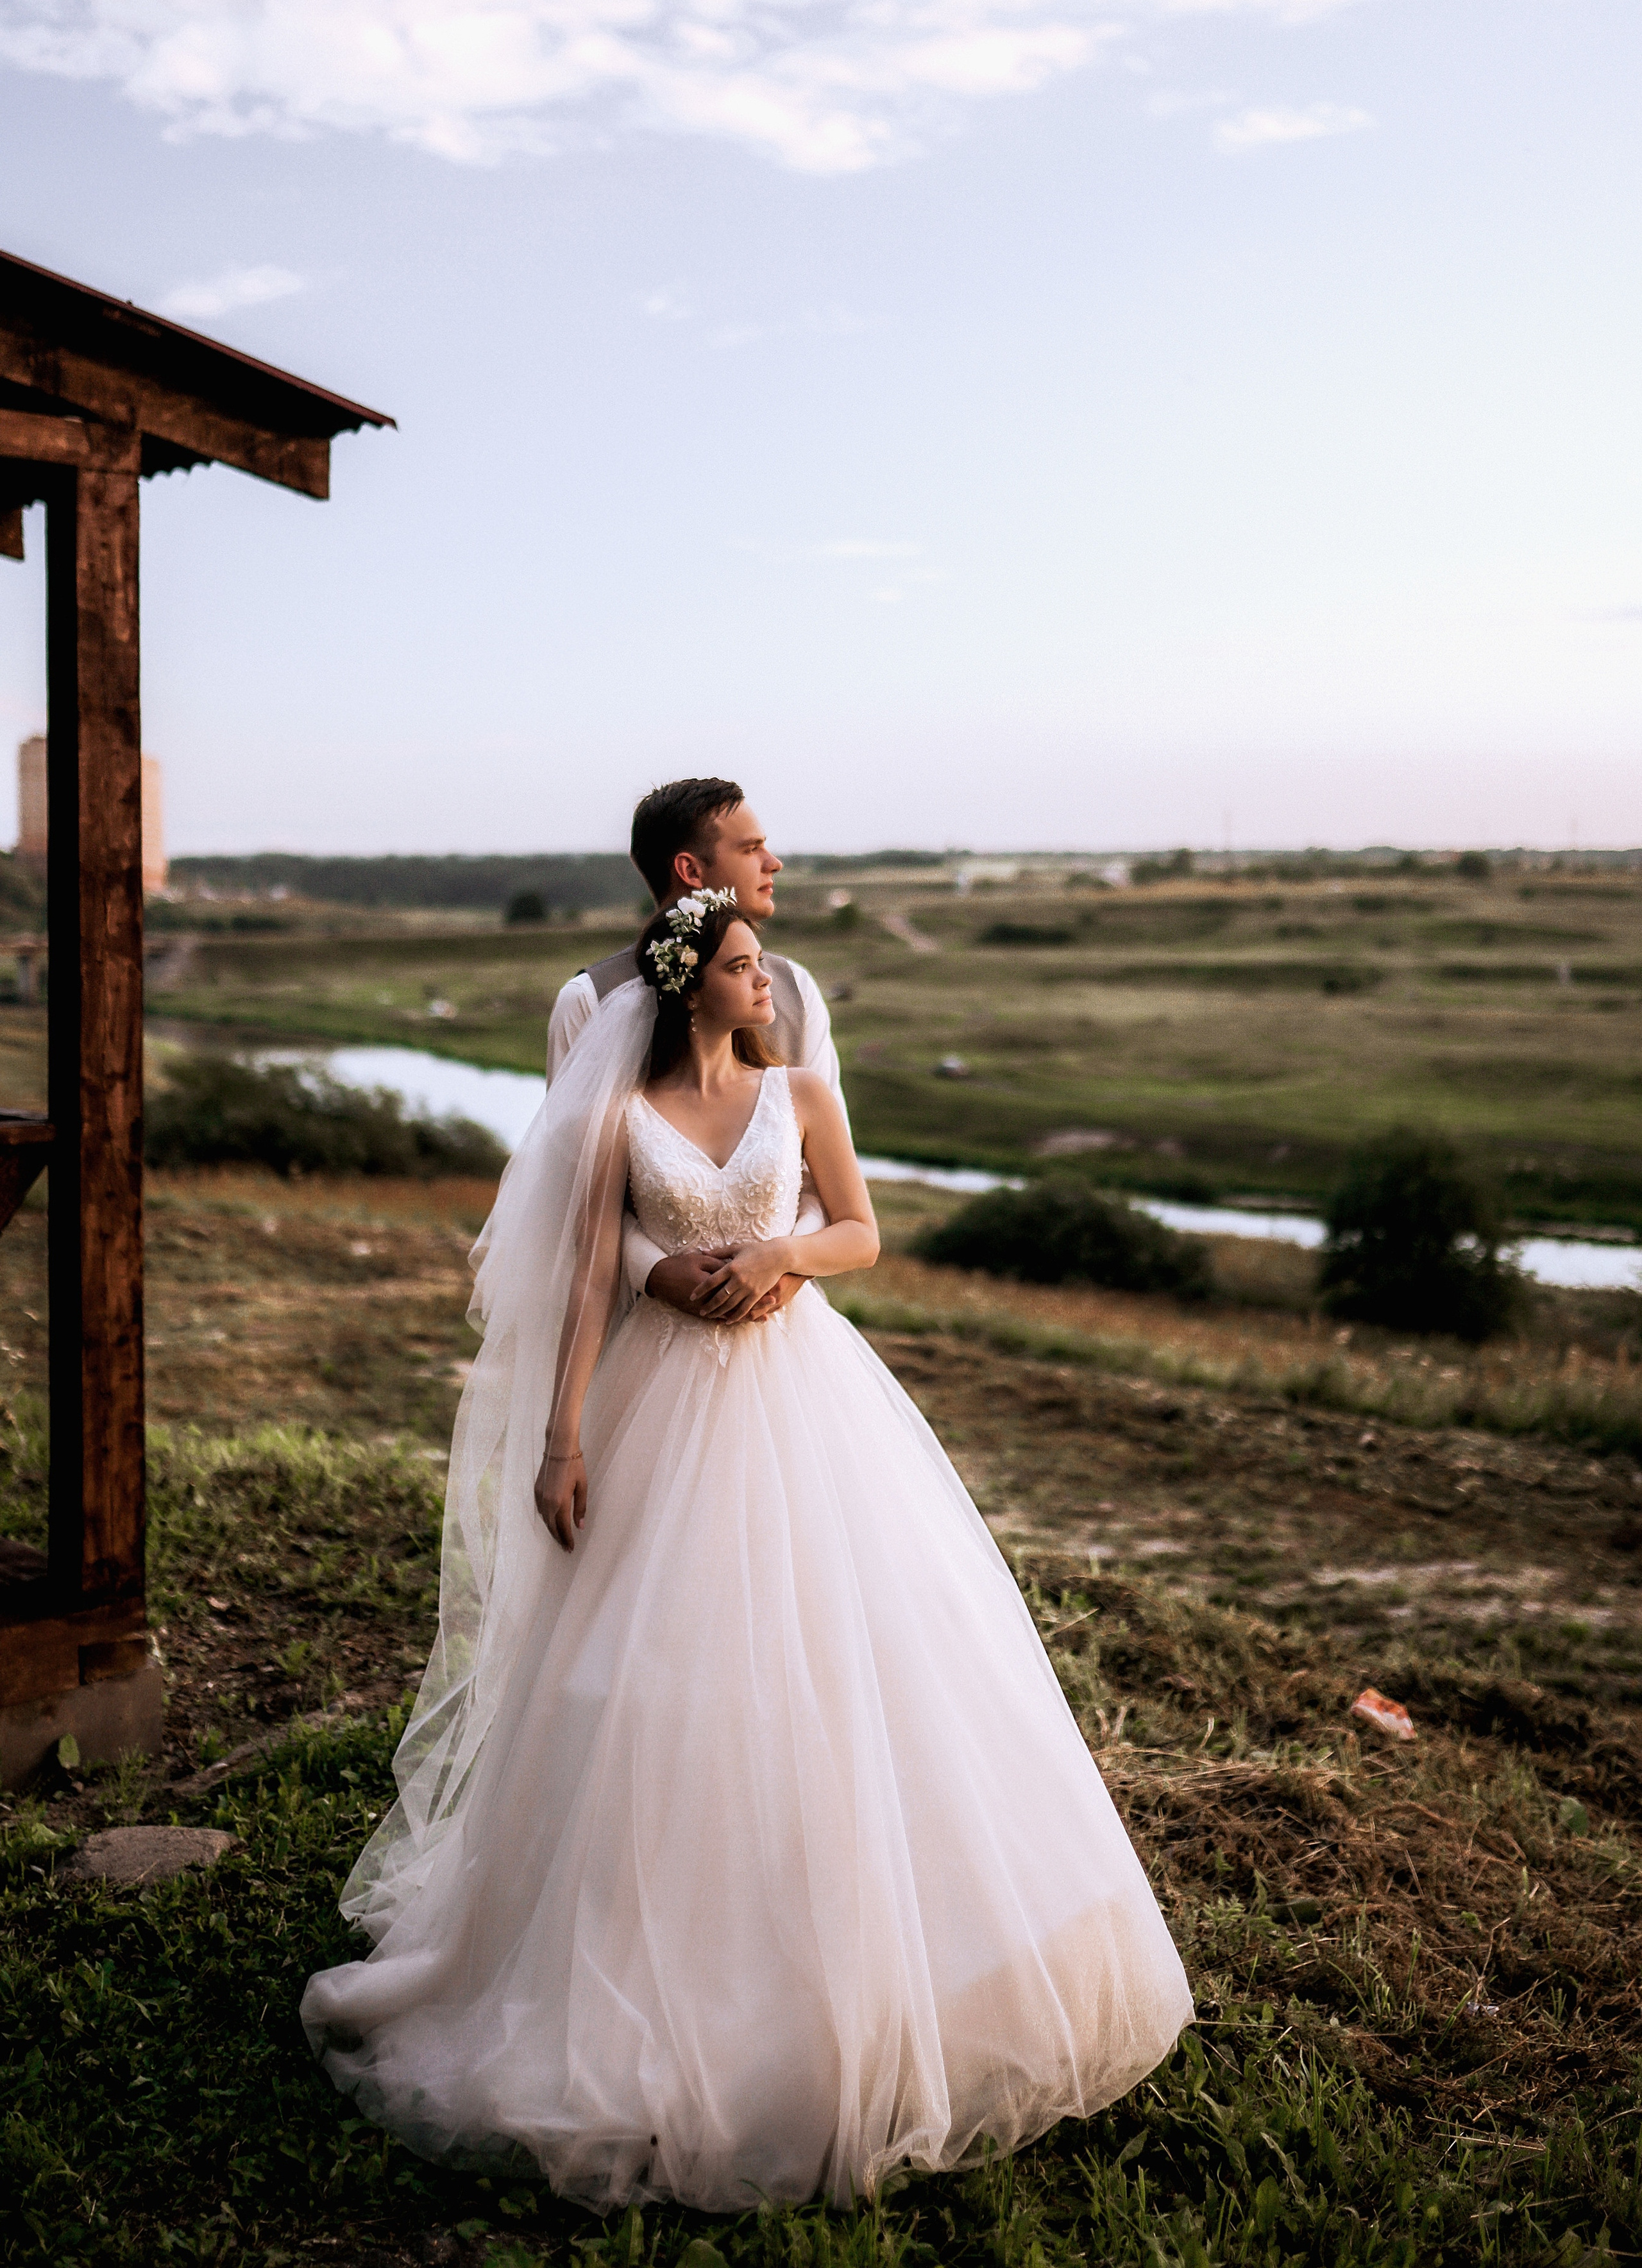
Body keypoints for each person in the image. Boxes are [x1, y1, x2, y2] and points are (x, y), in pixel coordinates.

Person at [302, 891, 1192, 2213]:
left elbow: (860, 1232)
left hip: (800, 1394)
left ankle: (869, 1948)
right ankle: (637, 1956)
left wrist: (781, 1251)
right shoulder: (617, 1116)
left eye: (759, 966)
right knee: (646, 1676)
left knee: (857, 1654)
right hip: (661, 1405)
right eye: (738, 967)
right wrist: (560, 1438)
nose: (762, 982)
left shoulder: (798, 1093)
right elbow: (593, 1279)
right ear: (688, 985)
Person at [547, 776, 840, 1329]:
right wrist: (654, 1271)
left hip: (780, 1327)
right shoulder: (587, 1002)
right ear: (691, 870)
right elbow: (570, 1187)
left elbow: (823, 1180)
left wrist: (787, 1268)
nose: (773, 863)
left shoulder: (795, 991)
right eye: (751, 849)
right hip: (637, 1329)